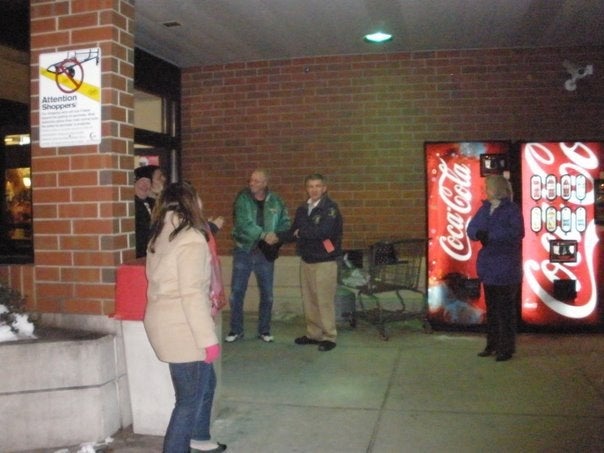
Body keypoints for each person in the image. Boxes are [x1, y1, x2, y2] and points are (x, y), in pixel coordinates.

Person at [143, 182, 226, 453]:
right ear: (190, 202)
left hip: (165, 322)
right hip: (182, 328)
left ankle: (200, 437)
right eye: (198, 197)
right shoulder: (190, 238)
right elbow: (191, 294)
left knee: (204, 382)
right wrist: (208, 339)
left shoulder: (160, 234)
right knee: (188, 401)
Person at [277, 173, 343, 352]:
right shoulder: (302, 209)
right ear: (306, 189)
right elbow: (293, 232)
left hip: (324, 262)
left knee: (324, 300)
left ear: (324, 188)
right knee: (310, 300)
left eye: (317, 186)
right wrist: (276, 236)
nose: (314, 190)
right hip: (307, 259)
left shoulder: (330, 209)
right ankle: (314, 334)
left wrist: (301, 232)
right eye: (310, 186)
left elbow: (324, 232)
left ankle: (330, 336)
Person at [226, 169, 290, 343]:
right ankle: (236, 330)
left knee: (267, 294)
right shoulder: (243, 199)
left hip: (265, 253)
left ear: (265, 183)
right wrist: (263, 235)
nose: (252, 183)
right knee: (237, 292)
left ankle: (264, 330)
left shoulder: (276, 201)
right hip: (244, 251)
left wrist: (277, 236)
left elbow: (285, 222)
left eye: (256, 181)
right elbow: (243, 223)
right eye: (251, 180)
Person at [467, 175, 524, 362]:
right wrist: (477, 233)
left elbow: (516, 233)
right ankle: (492, 344)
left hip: (506, 266)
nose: (484, 190)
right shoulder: (485, 208)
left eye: (487, 187)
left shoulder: (512, 209)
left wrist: (489, 236)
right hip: (490, 266)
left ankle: (505, 348)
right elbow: (472, 228)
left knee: (505, 311)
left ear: (495, 189)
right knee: (492, 309)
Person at [133, 167, 155, 258]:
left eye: (148, 182)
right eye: (142, 181)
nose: (145, 185)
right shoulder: (131, 204)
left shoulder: (154, 202)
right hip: (138, 253)